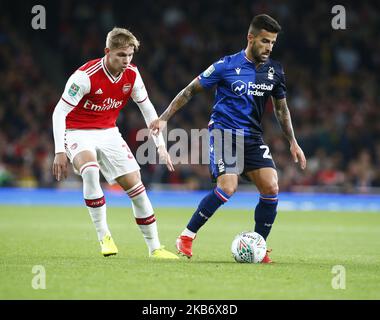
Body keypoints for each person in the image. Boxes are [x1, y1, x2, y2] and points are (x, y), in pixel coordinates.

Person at [150, 14, 307, 263]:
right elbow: (190, 90)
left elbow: (281, 109)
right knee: (228, 187)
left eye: (273, 43)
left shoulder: (274, 71)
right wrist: (165, 117)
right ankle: (187, 236)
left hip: (253, 137)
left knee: (271, 187)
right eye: (265, 41)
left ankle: (259, 246)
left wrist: (293, 142)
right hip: (223, 132)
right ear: (251, 38)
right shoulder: (225, 65)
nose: (269, 47)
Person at [52, 27, 178, 259]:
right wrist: (60, 150)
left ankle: (155, 248)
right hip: (77, 131)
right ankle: (104, 237)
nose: (126, 60)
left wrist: (160, 144)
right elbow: (59, 113)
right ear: (107, 52)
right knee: (90, 171)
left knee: (137, 188)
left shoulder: (132, 74)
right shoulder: (84, 76)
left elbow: (147, 109)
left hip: (109, 132)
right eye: (121, 55)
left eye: (130, 55)